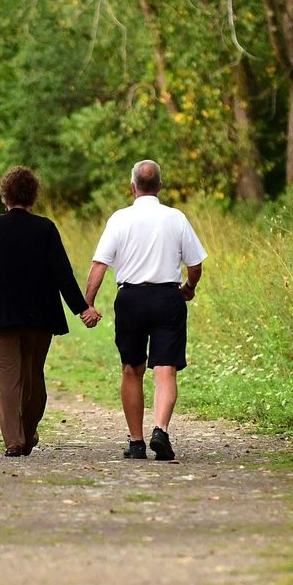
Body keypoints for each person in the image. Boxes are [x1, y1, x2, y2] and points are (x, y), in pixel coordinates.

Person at [0, 167, 101, 458]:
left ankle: (14, 441)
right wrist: (82, 309)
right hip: (40, 316)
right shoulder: (46, 229)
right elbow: (63, 274)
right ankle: (27, 432)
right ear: (33, 196)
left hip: (0, 315)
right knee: (33, 376)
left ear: (5, 195)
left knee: (7, 381)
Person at [83, 159, 207, 461]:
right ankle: (160, 430)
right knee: (166, 370)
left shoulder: (119, 219)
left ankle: (137, 443)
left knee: (131, 369)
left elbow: (100, 265)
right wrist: (189, 287)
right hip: (168, 298)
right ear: (160, 187)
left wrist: (88, 303)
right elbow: (195, 265)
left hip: (131, 300)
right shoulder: (176, 217)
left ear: (132, 187)